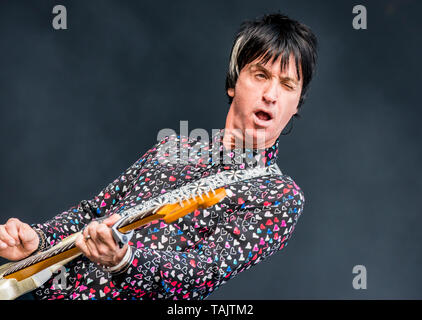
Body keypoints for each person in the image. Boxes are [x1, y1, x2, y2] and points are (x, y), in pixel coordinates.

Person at [0, 12, 318, 300]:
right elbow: (92, 213)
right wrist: (39, 239)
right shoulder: (176, 148)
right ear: (234, 82)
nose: (271, 95)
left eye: (287, 85)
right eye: (260, 75)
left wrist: (125, 260)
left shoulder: (279, 195)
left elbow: (206, 270)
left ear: (297, 104)